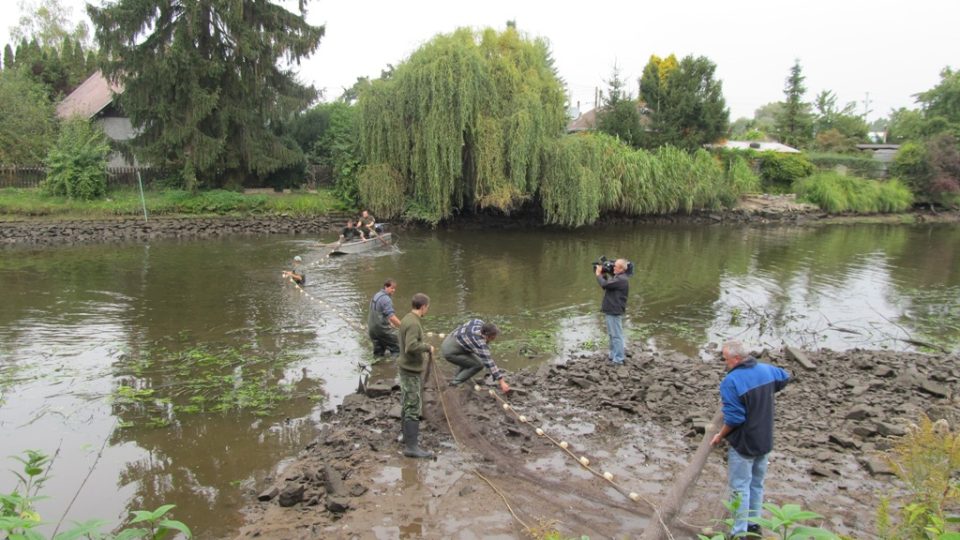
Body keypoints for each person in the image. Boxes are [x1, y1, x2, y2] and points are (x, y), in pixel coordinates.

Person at [710, 341, 791, 537]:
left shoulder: (731, 381)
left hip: (744, 443)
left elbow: (735, 418)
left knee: (740, 487)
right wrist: (763, 396)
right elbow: (785, 377)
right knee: (757, 483)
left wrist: (720, 435)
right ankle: (755, 525)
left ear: (737, 359)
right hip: (764, 439)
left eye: (726, 359)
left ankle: (739, 532)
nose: (724, 362)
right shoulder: (767, 370)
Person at [397, 293, 435, 459]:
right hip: (411, 371)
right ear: (423, 307)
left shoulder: (406, 318)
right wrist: (427, 347)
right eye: (428, 307)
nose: (427, 309)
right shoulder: (413, 323)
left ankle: (405, 437)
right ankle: (412, 447)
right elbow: (411, 346)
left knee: (407, 402)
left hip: (405, 369)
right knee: (413, 406)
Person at [441, 319, 510, 393]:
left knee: (472, 359)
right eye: (494, 336)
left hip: (451, 339)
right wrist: (502, 382)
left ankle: (459, 377)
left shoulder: (478, 322)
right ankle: (454, 384)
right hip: (450, 351)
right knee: (478, 364)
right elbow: (490, 363)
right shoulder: (479, 343)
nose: (495, 337)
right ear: (488, 336)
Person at [595, 259, 630, 364]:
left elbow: (604, 285)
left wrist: (598, 274)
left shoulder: (621, 279)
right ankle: (613, 355)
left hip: (614, 310)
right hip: (611, 309)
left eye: (615, 266)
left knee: (616, 336)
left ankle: (618, 359)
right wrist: (603, 274)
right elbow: (607, 285)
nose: (613, 267)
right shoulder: (618, 278)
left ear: (621, 269)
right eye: (613, 266)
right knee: (612, 335)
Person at [367, 279, 401, 357]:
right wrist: (402, 326)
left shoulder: (376, 295)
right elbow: (392, 316)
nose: (394, 290)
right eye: (392, 288)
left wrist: (389, 322)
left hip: (372, 329)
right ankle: (394, 368)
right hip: (381, 329)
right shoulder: (386, 299)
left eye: (394, 288)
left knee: (378, 351)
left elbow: (380, 311)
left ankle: (377, 368)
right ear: (386, 287)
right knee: (396, 348)